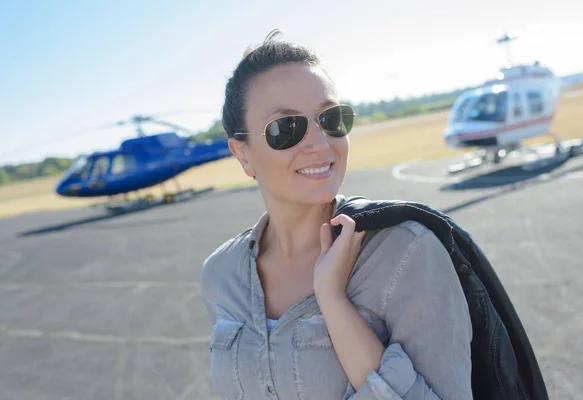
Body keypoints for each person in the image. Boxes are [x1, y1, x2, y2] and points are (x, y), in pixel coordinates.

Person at [200, 34, 473, 400]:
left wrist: (332, 299)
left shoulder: (407, 250)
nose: (319, 143)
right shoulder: (220, 274)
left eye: (331, 118)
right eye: (286, 128)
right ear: (243, 154)